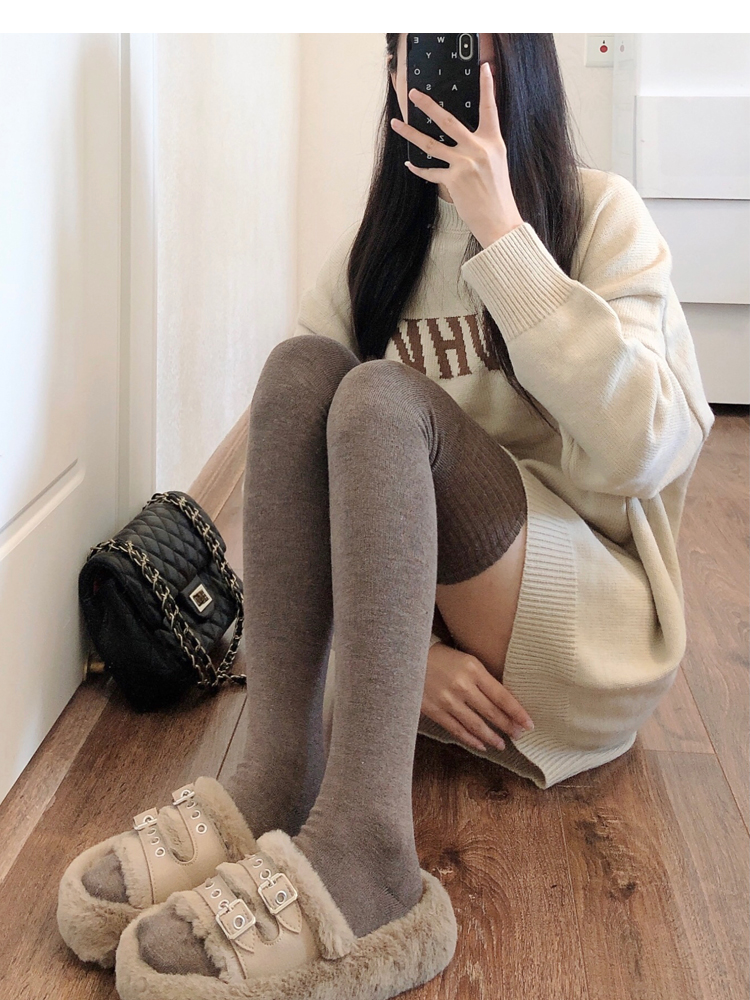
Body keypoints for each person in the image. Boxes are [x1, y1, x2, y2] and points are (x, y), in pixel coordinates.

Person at [57, 33, 715, 1000]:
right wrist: (412, 659)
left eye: (464, 45)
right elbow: (301, 489)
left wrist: (504, 236)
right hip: (437, 654)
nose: (435, 71)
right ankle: (275, 774)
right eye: (416, 48)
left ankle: (368, 856)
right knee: (300, 373)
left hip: (583, 626)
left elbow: (645, 450)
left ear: (520, 66)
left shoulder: (599, 215)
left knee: (378, 400)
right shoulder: (379, 254)